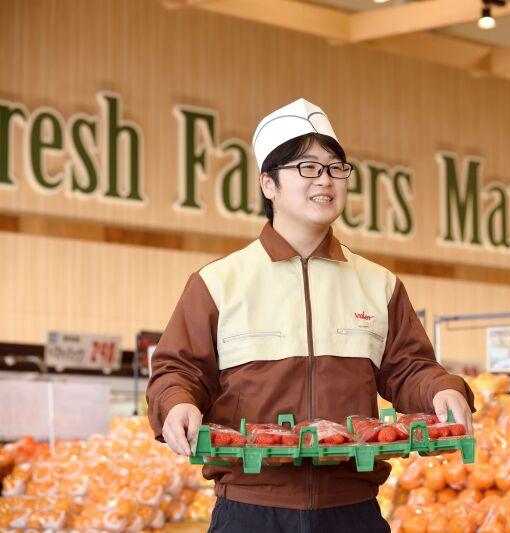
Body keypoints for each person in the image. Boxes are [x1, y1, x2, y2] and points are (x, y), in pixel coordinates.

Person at [146, 98, 475, 532]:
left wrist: (442, 390)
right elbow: (178, 369)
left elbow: (409, 367)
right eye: (306, 167)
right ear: (268, 184)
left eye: (335, 168)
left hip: (352, 511)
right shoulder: (218, 282)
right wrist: (176, 403)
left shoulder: (378, 284)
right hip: (250, 511)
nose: (325, 179)